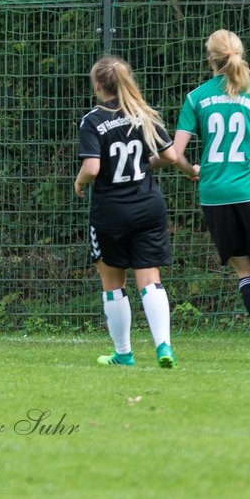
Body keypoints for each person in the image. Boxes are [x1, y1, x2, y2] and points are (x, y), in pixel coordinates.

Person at [171, 29, 250, 360]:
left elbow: (174, 153)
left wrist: (192, 171)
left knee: (245, 271)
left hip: (214, 193)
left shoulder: (196, 97)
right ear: (240, 53)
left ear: (210, 58)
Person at [74, 55, 180, 368]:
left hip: (112, 211)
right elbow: (171, 155)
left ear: (97, 85)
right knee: (150, 278)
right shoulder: (142, 114)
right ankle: (164, 347)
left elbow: (92, 168)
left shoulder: (92, 120)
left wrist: (79, 181)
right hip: (148, 206)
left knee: (113, 284)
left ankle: (124, 353)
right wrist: (146, 164)